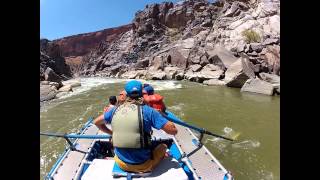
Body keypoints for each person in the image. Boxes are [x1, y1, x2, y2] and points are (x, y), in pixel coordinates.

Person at [94, 80, 178, 173]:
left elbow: (97, 122)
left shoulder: (114, 110)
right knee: (163, 146)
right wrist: (160, 115)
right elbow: (173, 131)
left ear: (126, 94)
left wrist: (111, 133)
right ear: (142, 93)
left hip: (120, 163)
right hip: (143, 165)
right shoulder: (149, 111)